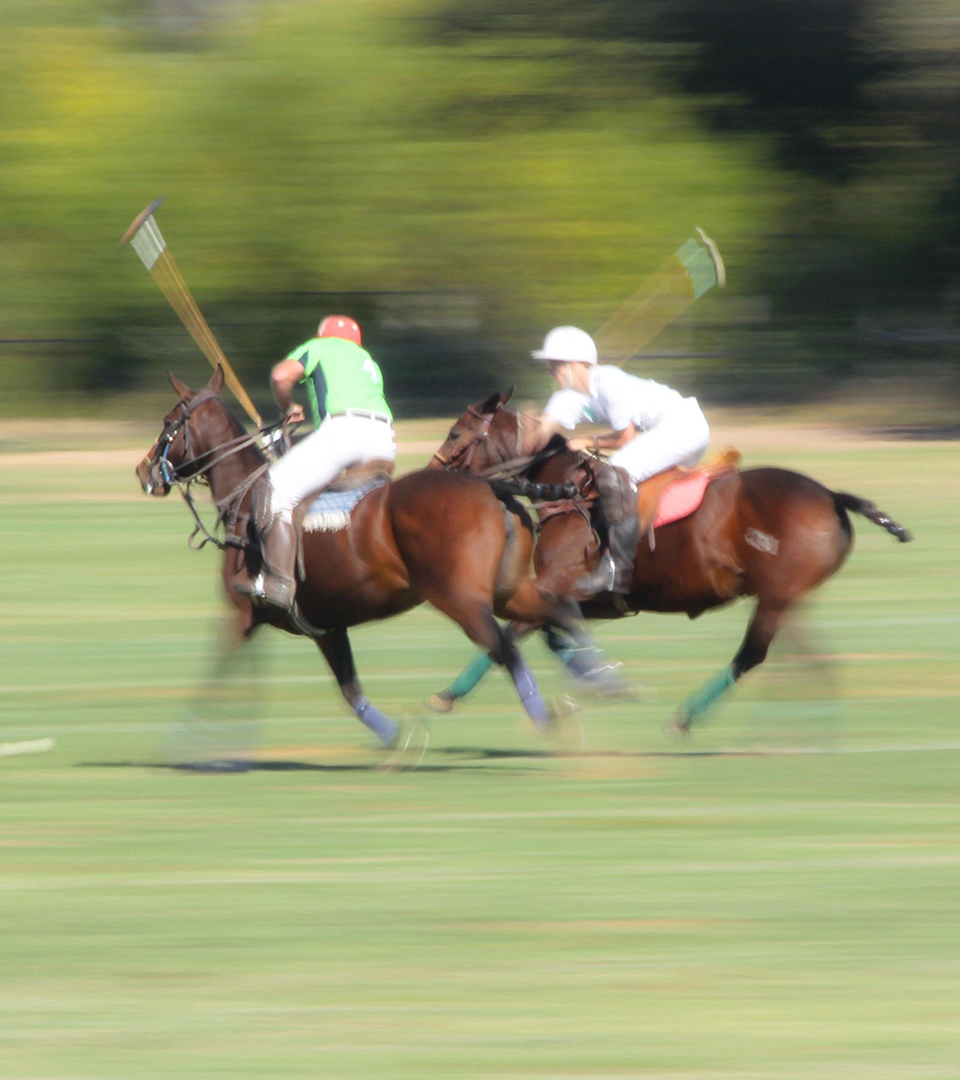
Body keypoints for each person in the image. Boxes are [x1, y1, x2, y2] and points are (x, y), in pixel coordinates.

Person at [530, 325, 710, 595]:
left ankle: (616, 568)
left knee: (616, 472)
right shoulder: (566, 398)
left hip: (684, 425)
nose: (551, 371)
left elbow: (626, 438)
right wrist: (529, 426)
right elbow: (543, 430)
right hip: (665, 434)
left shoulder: (608, 381)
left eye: (555, 364)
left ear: (575, 365)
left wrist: (588, 441)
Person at [238, 315, 396, 614]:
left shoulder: (319, 347)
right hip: (384, 439)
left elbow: (281, 377)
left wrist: (287, 406)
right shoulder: (368, 361)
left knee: (273, 490)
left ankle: (279, 584)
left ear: (324, 336)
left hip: (343, 431)